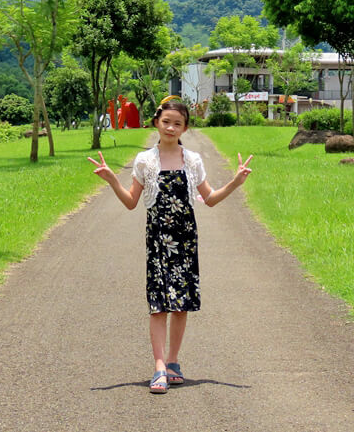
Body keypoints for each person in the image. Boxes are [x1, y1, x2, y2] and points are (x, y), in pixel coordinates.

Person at [88, 97, 253, 394]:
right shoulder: (144, 161)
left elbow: (211, 199)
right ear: (156, 123)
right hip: (157, 242)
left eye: (177, 123)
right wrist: (112, 179)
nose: (171, 127)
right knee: (158, 305)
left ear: (185, 128)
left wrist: (236, 182)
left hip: (186, 240)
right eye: (166, 122)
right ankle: (159, 366)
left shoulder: (192, 160)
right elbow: (130, 203)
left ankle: (174, 362)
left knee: (181, 304)